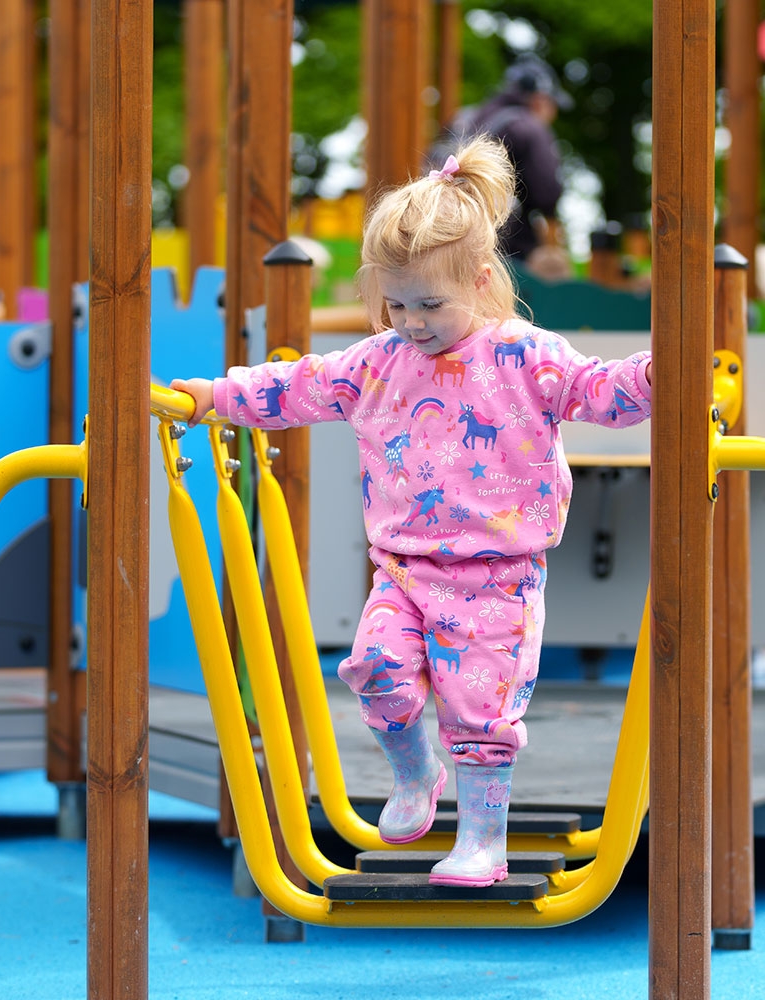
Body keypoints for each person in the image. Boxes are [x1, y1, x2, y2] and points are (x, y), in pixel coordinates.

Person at [171, 136, 652, 888]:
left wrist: (663, 373)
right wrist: (210, 396)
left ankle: (482, 841)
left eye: (430, 303)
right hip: (402, 569)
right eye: (395, 303)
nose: (411, 320)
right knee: (374, 671)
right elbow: (297, 385)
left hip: (498, 574)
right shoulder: (378, 362)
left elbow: (599, 391)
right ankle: (416, 774)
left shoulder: (524, 357)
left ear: (483, 281)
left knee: (478, 712)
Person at [429, 53, 572, 263]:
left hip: (440, 238)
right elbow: (547, 194)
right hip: (500, 250)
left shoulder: (463, 118)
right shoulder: (529, 127)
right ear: (540, 100)